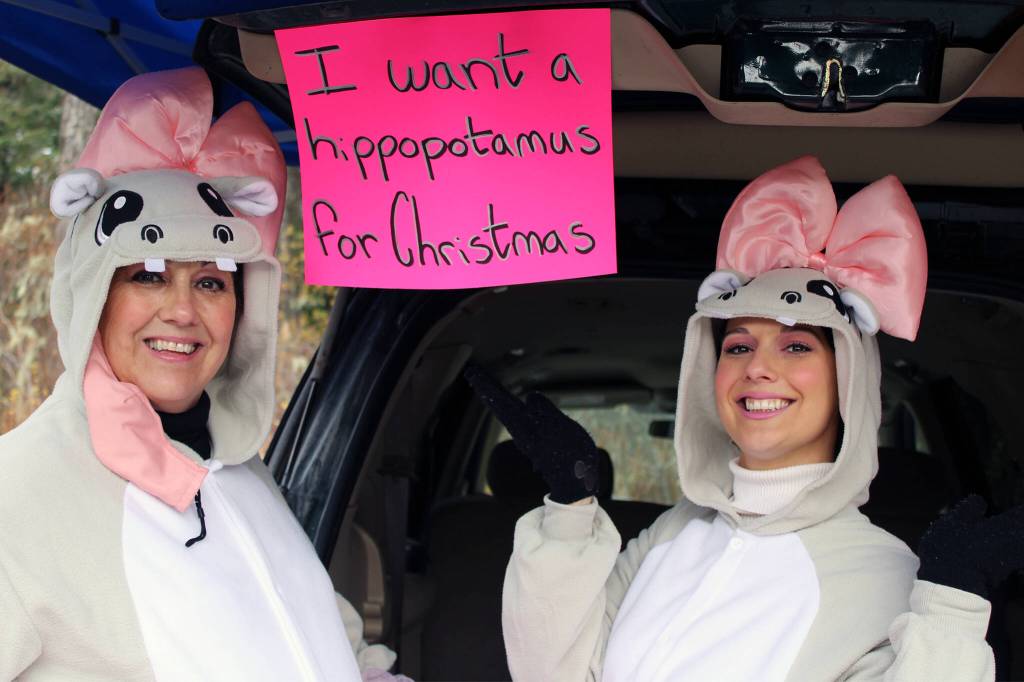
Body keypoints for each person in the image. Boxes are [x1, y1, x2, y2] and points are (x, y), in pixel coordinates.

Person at [466, 156, 1024, 681]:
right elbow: (556, 671)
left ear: (848, 383)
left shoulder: (886, 575)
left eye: (797, 347)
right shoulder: (673, 532)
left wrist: (950, 606)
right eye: (736, 347)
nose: (757, 368)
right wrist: (569, 508)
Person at [0, 68, 402, 681]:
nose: (183, 311)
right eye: (149, 275)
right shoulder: (18, 494)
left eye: (211, 281)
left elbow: (332, 656)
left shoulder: (238, 472)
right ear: (92, 292)